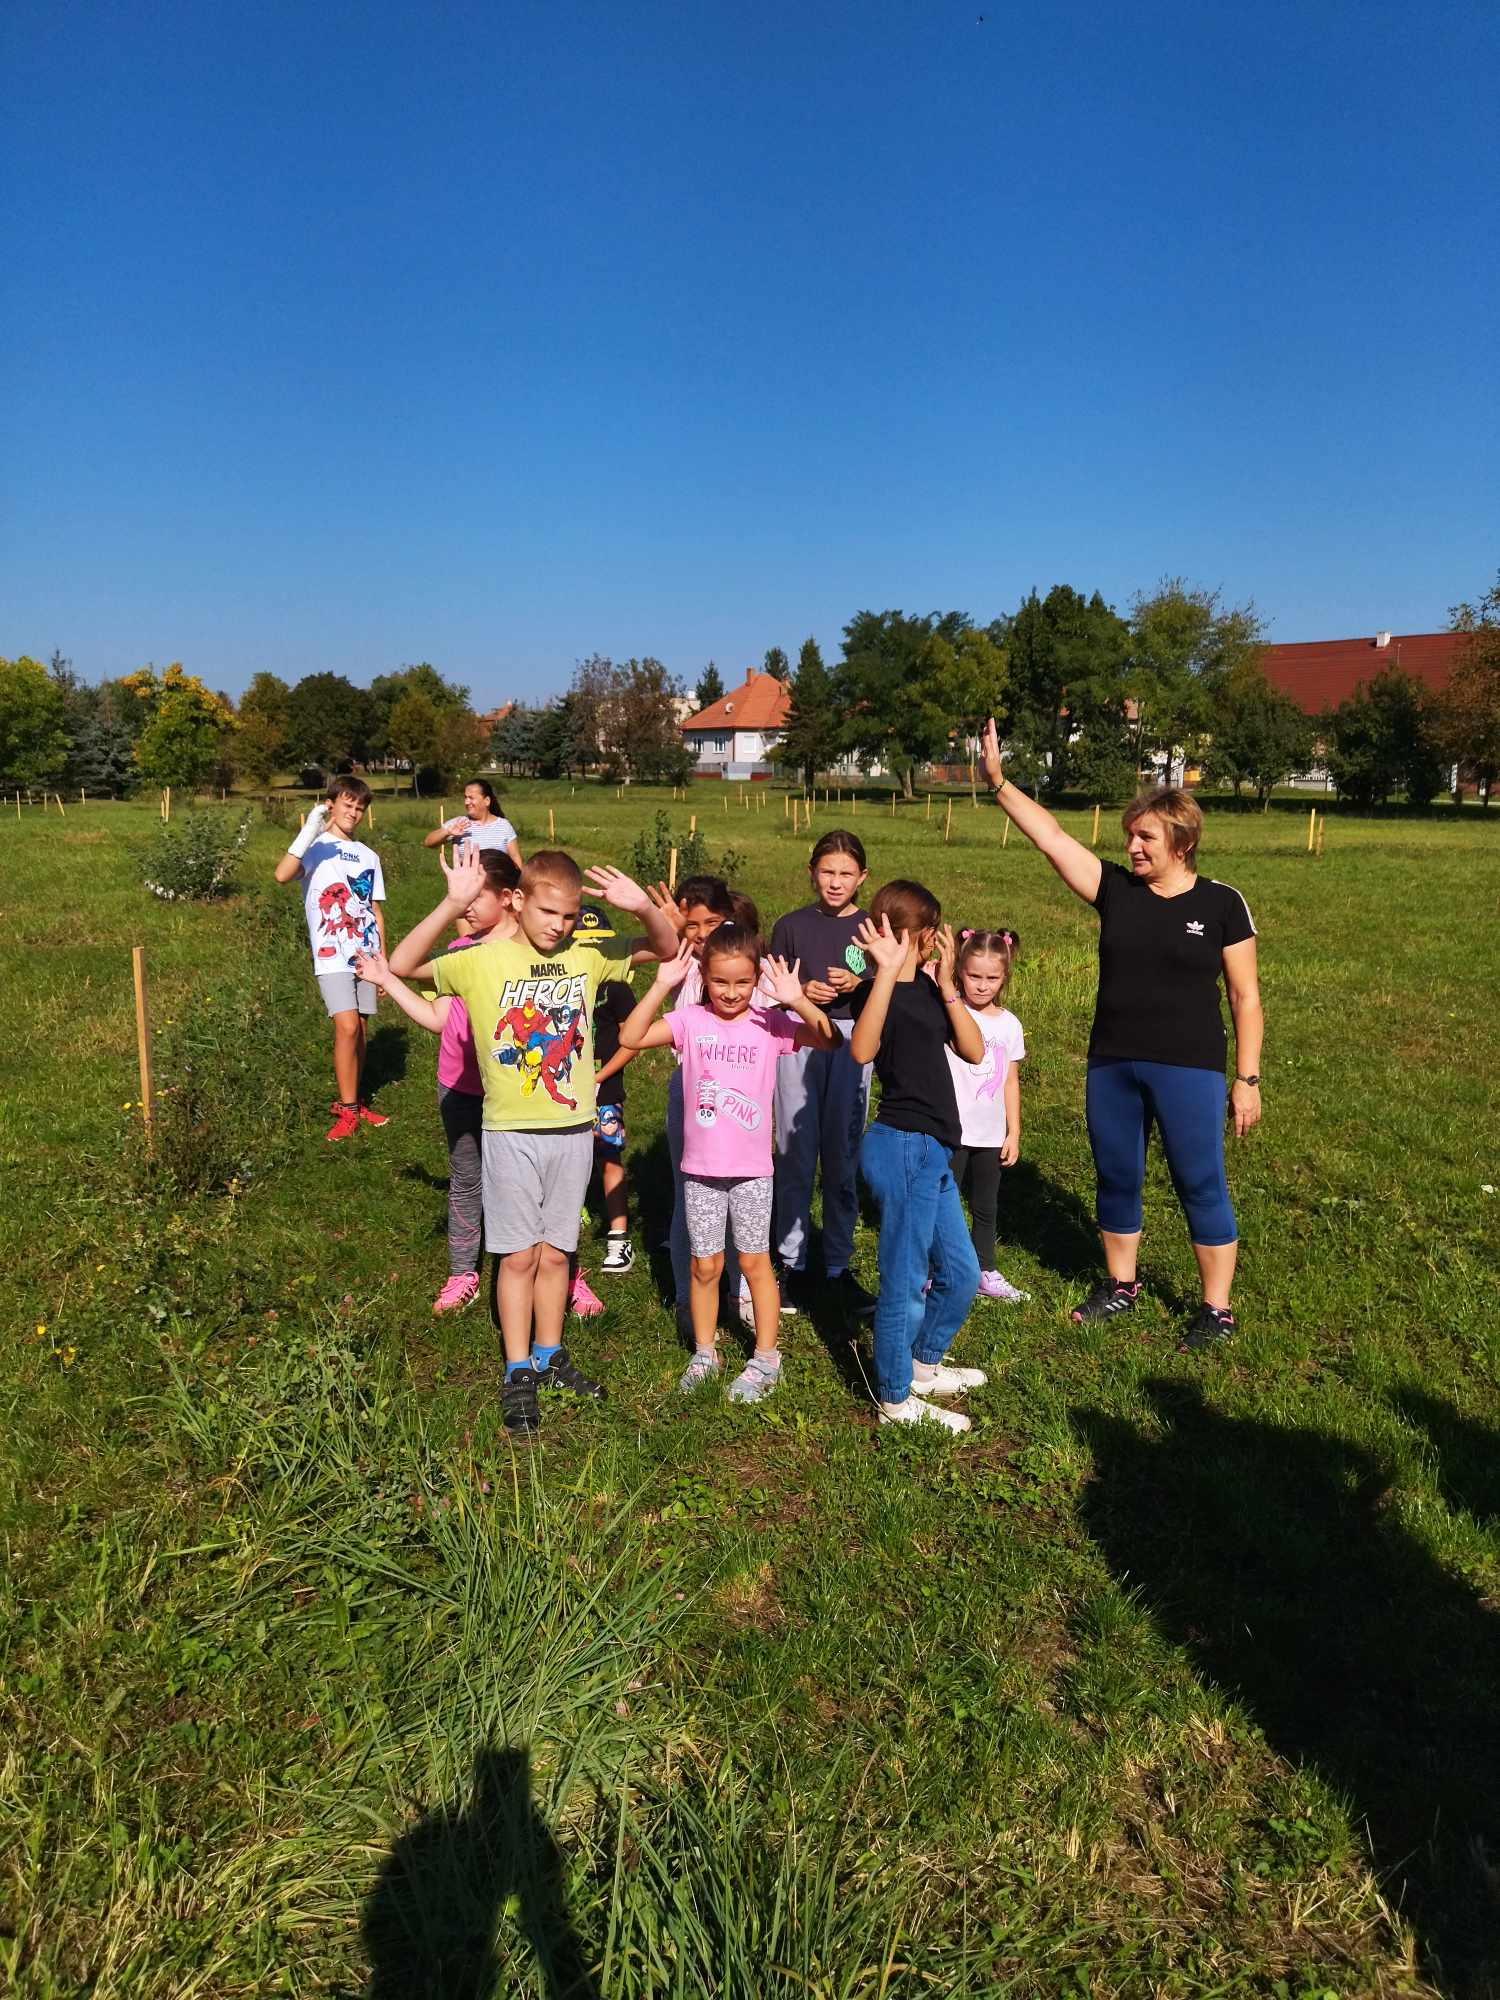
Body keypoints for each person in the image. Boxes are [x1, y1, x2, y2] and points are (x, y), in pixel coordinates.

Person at [358, 848, 679, 1436]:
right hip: (509, 1133)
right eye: (548, 912)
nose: (559, 924)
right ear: (517, 900)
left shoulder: (587, 955)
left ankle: (550, 1355)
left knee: (557, 1252)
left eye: (569, 914)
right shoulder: (479, 959)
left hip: (573, 1131)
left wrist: (643, 908)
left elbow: (664, 948)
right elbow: (401, 964)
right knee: (518, 1255)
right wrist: (451, 903)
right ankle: (517, 1369)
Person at [976, 718, 1263, 1350]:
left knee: (1199, 1180)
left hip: (1189, 1065)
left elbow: (1245, 996)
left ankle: (1216, 1309)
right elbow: (1052, 838)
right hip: (1113, 1063)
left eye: (1145, 837)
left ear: (1183, 842)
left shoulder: (1221, 904)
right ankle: (1121, 1285)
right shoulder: (1117, 891)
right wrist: (999, 782)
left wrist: (1247, 1078)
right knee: (1116, 1174)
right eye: (1130, 835)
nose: (1132, 846)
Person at [619, 927, 837, 1401]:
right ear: (703, 977)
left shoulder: (770, 1023)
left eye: (742, 982)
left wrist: (797, 1000)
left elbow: (829, 1039)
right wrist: (660, 984)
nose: (732, 993)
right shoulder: (690, 1021)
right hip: (700, 1171)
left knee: (755, 1261)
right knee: (704, 1265)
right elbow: (630, 1036)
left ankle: (766, 1358)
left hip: (753, 1172)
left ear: (757, 979)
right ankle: (705, 1352)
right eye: (720, 982)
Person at [848, 885, 989, 1433]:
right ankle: (894, 1397)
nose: (939, 940)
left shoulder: (931, 988)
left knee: (962, 1271)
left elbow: (974, 1051)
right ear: (921, 933)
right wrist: (885, 972)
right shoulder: (873, 991)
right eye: (935, 931)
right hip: (901, 1143)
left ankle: (922, 1365)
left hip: (933, 1149)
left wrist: (949, 986)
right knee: (905, 1280)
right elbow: (862, 1050)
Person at [393, 850, 520, 1315]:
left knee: (528, 1185)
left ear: (508, 897)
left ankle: (560, 1272)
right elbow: (430, 1004)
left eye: (474, 894)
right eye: (460, 896)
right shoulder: (461, 950)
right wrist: (451, 903)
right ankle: (463, 1271)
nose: (466, 904)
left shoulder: (533, 952)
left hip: (517, 1092)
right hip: (461, 1086)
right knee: (467, 1181)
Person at [768, 830, 875, 1315]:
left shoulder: (871, 928)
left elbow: (887, 983)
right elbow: (772, 987)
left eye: (846, 873)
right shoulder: (791, 925)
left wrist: (860, 982)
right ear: (811, 872)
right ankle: (792, 1262)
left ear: (862, 877)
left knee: (842, 1153)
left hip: (853, 1042)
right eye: (827, 871)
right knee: (794, 1150)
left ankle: (837, 1264)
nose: (835, 882)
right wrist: (802, 992)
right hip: (799, 1038)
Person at [273, 775, 389, 1143]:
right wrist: (309, 830)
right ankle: (348, 1108)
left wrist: (383, 960)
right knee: (347, 1027)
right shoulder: (317, 847)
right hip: (331, 954)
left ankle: (355, 1098)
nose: (353, 812)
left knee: (362, 1029)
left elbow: (374, 911)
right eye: (347, 804)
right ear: (331, 804)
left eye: (360, 807)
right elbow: (281, 875)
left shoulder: (369, 856)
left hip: (366, 954)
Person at [945, 928, 1028, 1303]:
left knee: (985, 1205)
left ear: (1004, 976)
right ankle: (935, 1270)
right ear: (960, 971)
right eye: (974, 976)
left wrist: (1013, 1132)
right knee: (942, 1203)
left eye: (991, 978)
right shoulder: (950, 1012)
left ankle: (984, 1270)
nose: (982, 985)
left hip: (990, 1135)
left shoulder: (1009, 1024)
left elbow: (1010, 1081)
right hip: (950, 1131)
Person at [573, 905, 639, 1278]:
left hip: (605, 1088)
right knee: (569, 1153)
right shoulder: (563, 985)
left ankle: (618, 1236)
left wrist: (601, 1076)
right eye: (584, 944)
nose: (593, 952)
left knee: (609, 1155)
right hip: (565, 1087)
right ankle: (571, 1211)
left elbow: (632, 1040)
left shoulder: (617, 988)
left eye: (601, 944)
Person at [424, 778, 523, 870]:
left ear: (487, 801)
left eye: (471, 798)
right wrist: (447, 832)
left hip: (498, 882)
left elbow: (516, 859)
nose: (467, 802)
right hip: (465, 882)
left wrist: (520, 881)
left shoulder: (504, 825)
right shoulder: (459, 823)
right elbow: (428, 842)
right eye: (465, 798)